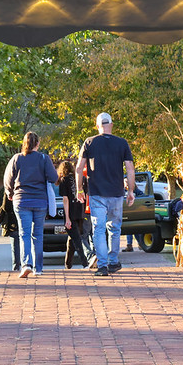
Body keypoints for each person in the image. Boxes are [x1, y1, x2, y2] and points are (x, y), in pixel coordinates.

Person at [76, 112, 135, 277]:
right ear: (112, 125)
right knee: (114, 228)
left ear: (97, 126)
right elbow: (130, 168)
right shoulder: (122, 143)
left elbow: (79, 168)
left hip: (97, 193)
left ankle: (102, 266)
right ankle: (113, 262)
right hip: (116, 193)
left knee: (99, 229)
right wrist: (130, 191)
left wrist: (79, 189)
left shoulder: (89, 142)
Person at [4, 131, 58, 278]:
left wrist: (10, 192)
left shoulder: (17, 158)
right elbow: (54, 177)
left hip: (21, 201)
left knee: (24, 234)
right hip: (40, 201)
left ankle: (26, 264)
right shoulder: (43, 158)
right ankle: (38, 268)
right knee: (38, 235)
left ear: (24, 143)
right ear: (37, 144)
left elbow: (8, 179)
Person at [57, 160, 91, 269]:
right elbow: (85, 196)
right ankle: (68, 264)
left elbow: (65, 200)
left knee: (76, 239)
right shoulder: (81, 179)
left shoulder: (64, 181)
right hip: (80, 212)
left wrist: (67, 218)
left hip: (71, 213)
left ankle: (85, 263)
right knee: (73, 238)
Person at [0, 191, 22, 271]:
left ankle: (16, 266)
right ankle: (28, 264)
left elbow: (5, 207)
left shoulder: (9, 190)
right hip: (26, 218)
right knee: (27, 242)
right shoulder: (27, 185)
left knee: (15, 245)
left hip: (13, 221)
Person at [122, 179, 144, 252]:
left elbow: (143, 196)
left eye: (128, 182)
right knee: (129, 229)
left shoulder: (136, 191)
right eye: (126, 183)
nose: (127, 184)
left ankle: (140, 243)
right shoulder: (122, 191)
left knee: (135, 229)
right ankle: (129, 245)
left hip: (134, 212)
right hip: (126, 212)